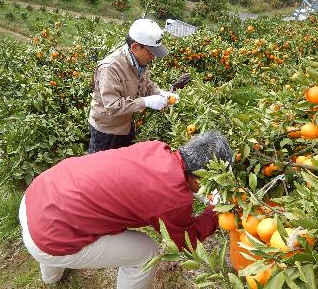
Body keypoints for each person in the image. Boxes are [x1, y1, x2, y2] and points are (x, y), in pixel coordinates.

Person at [19, 130, 233, 288]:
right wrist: (214, 212)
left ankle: (51, 278)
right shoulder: (173, 199)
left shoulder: (156, 149)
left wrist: (198, 191)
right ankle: (53, 262)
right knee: (145, 252)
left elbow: (166, 181)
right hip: (48, 240)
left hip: (36, 198)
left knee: (58, 223)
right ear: (202, 176)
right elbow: (185, 241)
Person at [88, 18, 183, 154]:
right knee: (100, 171)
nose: (153, 57)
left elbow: (146, 84)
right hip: (106, 132)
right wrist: (146, 101)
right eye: (151, 52)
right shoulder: (111, 68)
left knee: (123, 168)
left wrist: (160, 93)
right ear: (135, 47)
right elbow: (113, 107)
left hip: (127, 126)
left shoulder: (141, 62)